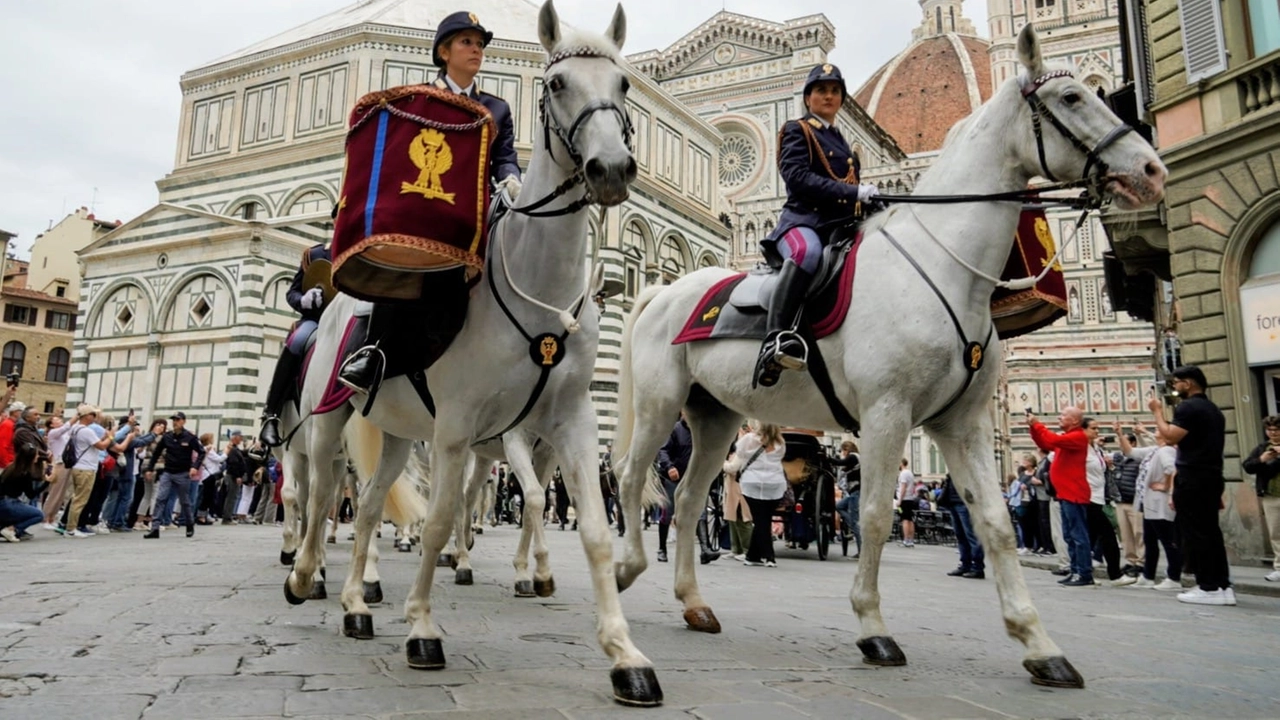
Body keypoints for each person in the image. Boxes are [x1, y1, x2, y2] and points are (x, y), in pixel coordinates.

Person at [338, 10, 522, 394]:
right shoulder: (416, 101)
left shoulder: (496, 108)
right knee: (402, 264)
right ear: (444, 52)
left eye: (480, 44)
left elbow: (503, 157)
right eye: (467, 42)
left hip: (467, 219)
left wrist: (511, 178)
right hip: (420, 214)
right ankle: (374, 351)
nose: (477, 50)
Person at [753, 63, 879, 388]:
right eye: (821, 90)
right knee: (807, 254)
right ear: (808, 97)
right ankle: (775, 339)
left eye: (835, 91)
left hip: (839, 230)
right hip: (802, 223)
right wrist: (855, 191)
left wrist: (871, 203)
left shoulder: (841, 142)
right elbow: (797, 178)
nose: (828, 96)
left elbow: (849, 196)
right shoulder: (798, 129)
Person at [1150, 365, 1233, 606]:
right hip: (1212, 475)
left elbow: (1169, 436)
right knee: (1211, 532)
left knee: (1196, 533)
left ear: (1188, 383)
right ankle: (1223, 585)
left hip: (1193, 476)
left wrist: (1157, 412)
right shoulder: (1213, 410)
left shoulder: (1188, 407)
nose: (1175, 388)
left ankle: (1207, 586)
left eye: (1177, 383)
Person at [259, 242, 330, 447]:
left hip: (348, 319)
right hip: (317, 321)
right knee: (297, 340)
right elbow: (293, 292)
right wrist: (304, 300)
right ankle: (271, 414)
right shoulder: (315, 254)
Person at [1028, 407, 1095, 587]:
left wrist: (1037, 424)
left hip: (1074, 494)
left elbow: (1051, 439)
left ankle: (1084, 572)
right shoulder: (1067, 440)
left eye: (1063, 415)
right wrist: (1033, 428)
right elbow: (1045, 443)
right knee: (1069, 535)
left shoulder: (1077, 436)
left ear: (1074, 421)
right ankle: (1075, 570)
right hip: (1065, 494)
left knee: (1078, 535)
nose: (1059, 417)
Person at [1116, 421, 1182, 590]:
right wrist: (1120, 434)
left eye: (1158, 429)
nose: (1155, 431)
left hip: (1159, 503)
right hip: (1149, 503)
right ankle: (1148, 575)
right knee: (1150, 540)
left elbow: (1172, 469)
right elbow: (1130, 451)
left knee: (1168, 541)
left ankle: (1174, 577)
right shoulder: (1155, 450)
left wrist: (1166, 486)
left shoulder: (1166, 450)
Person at [726, 421, 787, 567]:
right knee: (763, 519)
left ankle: (769, 556)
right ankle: (753, 556)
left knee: (761, 521)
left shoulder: (749, 439)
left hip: (752, 482)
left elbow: (739, 455)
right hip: (775, 484)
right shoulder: (780, 442)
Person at [1082, 418, 1130, 586]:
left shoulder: (1095, 448)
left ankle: (1083, 572)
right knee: (1107, 534)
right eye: (1093, 428)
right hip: (1088, 499)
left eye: (1098, 428)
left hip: (1099, 498)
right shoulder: (1080, 448)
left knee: (1088, 537)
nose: (1097, 431)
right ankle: (1114, 575)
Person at [143, 412, 206, 540]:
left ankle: (189, 524)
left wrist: (195, 466)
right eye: (174, 420)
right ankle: (155, 528)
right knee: (161, 498)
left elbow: (201, 452)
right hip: (168, 472)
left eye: (177, 420)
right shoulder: (167, 437)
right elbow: (156, 453)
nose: (175, 422)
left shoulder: (190, 437)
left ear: (183, 421)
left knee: (185, 501)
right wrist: (150, 468)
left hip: (183, 473)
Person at [64, 405, 115, 538]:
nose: (94, 417)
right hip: (86, 468)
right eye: (92, 414)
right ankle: (71, 528)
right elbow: (101, 446)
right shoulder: (86, 431)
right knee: (80, 500)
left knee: (77, 497)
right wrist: (110, 437)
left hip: (78, 466)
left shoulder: (75, 428)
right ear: (87, 416)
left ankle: (70, 525)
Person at [0, 406, 50, 541]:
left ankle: (7, 527)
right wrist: (47, 482)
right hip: (9, 503)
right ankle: (12, 529)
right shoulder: (25, 473)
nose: (37, 458)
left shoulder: (11, 467)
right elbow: (31, 494)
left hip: (3, 501)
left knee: (21, 507)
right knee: (38, 515)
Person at [1242, 415, 1280, 583]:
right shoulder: (1262, 448)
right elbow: (1248, 466)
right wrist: (1262, 460)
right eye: (1269, 430)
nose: (1273, 433)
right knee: (1276, 533)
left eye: (1276, 430)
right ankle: (1279, 568)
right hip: (1271, 496)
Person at [937, 474, 984, 579]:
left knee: (971, 535)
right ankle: (965, 564)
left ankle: (977, 567)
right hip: (953, 502)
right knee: (961, 536)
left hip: (964, 502)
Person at [832, 441, 861, 558]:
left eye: (842, 451)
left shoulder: (853, 457)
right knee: (839, 506)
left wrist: (829, 459)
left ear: (846, 449)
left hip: (856, 491)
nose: (842, 453)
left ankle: (862, 550)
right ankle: (853, 524)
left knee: (855, 522)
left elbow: (841, 462)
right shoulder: (856, 458)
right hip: (854, 491)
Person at [895, 459, 916, 547]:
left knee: (905, 520)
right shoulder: (910, 473)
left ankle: (906, 539)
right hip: (910, 498)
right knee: (910, 519)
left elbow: (903, 487)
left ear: (901, 463)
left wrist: (899, 500)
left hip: (905, 499)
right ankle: (911, 539)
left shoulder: (903, 474)